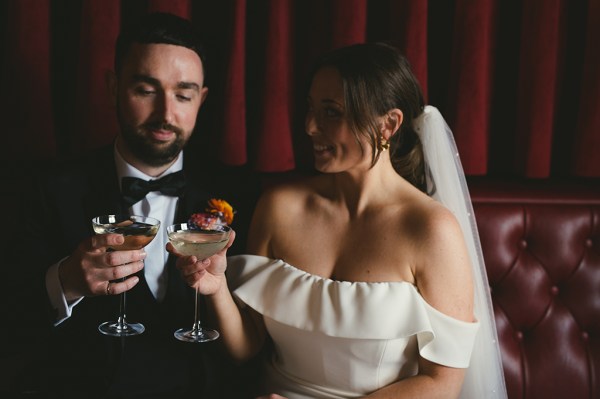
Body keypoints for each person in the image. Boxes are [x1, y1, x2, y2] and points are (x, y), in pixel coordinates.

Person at [173, 42, 507, 398]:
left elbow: (443, 383)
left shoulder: (431, 230)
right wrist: (216, 287)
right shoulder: (278, 208)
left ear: (388, 125)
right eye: (310, 109)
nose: (310, 127)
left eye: (331, 113)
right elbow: (246, 345)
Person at [7, 12, 256, 398]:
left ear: (201, 100)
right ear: (113, 87)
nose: (166, 114)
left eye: (184, 95)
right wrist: (66, 281)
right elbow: (11, 320)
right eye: (146, 90)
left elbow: (252, 346)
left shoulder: (237, 192)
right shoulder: (45, 188)